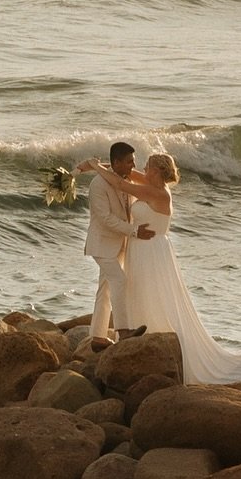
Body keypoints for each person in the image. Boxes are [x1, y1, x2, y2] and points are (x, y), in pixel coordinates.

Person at [76, 151, 241, 386]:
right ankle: (136, 336)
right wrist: (91, 167)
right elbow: (122, 172)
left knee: (154, 293)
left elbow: (119, 182)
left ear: (156, 171)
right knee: (140, 290)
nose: (142, 167)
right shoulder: (150, 183)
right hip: (142, 249)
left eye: (148, 165)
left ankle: (147, 344)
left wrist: (94, 164)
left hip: (151, 251)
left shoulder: (156, 192)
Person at [81, 140, 155, 350]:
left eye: (134, 161)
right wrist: (134, 231)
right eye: (129, 161)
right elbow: (105, 218)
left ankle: (97, 338)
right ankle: (123, 332)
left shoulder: (125, 178)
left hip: (120, 244)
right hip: (102, 244)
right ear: (116, 162)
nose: (133, 165)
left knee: (104, 289)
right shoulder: (98, 185)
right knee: (119, 281)